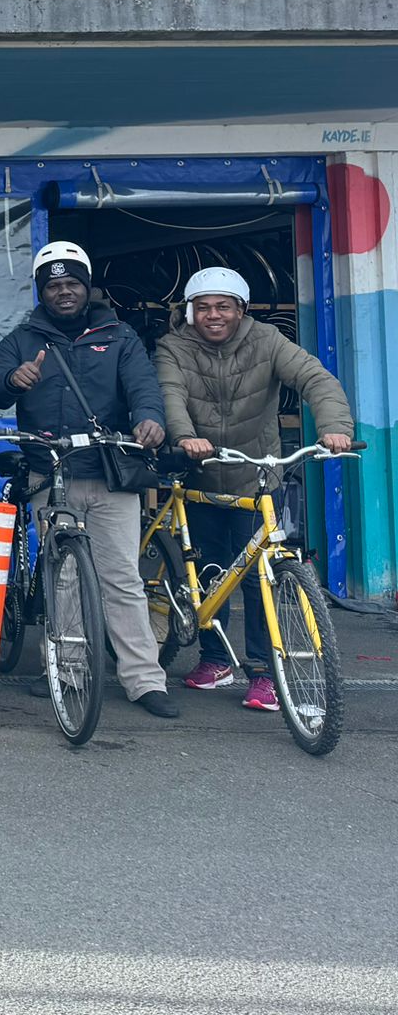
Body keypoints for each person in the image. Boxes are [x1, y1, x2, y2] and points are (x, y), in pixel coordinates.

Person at [0, 240, 179, 719]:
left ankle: (144, 680)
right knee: (64, 579)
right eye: (53, 285)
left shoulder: (119, 334)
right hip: (52, 476)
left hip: (111, 473)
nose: (63, 292)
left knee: (123, 580)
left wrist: (151, 419)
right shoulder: (23, 338)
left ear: (87, 287)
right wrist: (12, 381)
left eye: (72, 283)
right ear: (41, 292)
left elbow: (144, 387)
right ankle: (68, 670)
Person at [155, 265, 356, 712]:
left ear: (240, 310)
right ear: (190, 311)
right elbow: (169, 393)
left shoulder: (266, 341)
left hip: (257, 474)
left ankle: (265, 671)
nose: (213, 315)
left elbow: (314, 378)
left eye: (223, 307)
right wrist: (185, 437)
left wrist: (335, 427)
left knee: (257, 576)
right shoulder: (173, 347)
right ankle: (214, 660)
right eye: (203, 307)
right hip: (201, 472)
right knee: (208, 570)